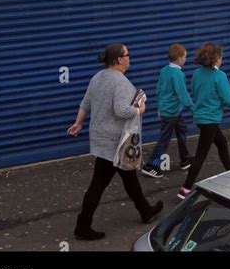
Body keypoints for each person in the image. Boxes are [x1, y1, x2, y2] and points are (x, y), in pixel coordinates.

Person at [67, 43, 163, 240]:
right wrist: (140, 109)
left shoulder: (97, 77)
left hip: (102, 138)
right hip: (116, 142)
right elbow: (122, 111)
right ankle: (82, 226)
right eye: (128, 54)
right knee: (98, 184)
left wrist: (78, 123)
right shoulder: (120, 82)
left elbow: (85, 103)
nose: (130, 57)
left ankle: (146, 211)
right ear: (119, 59)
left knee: (128, 177)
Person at [178, 42, 230, 200]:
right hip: (211, 119)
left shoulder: (197, 73)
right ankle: (185, 188)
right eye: (221, 57)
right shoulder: (219, 76)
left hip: (200, 117)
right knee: (201, 155)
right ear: (216, 59)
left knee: (222, 143)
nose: (222, 60)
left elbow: (195, 90)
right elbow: (229, 100)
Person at [142, 43, 193, 179]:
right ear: (179, 58)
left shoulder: (164, 70)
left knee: (182, 130)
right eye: (185, 57)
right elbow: (182, 93)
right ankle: (151, 165)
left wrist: (160, 107)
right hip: (171, 112)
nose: (186, 59)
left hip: (171, 110)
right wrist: (193, 108)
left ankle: (184, 159)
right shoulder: (178, 74)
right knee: (164, 139)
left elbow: (159, 89)